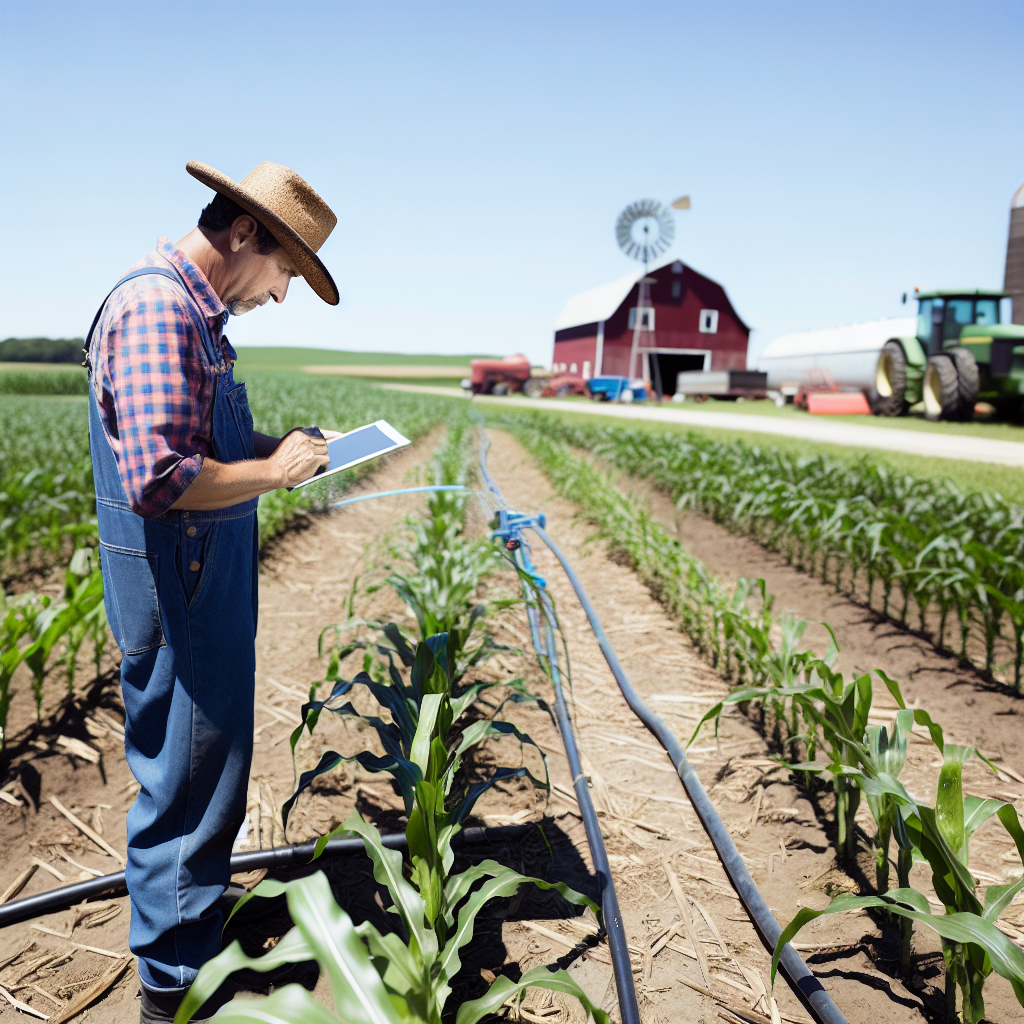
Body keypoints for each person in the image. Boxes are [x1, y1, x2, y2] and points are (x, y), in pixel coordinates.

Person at [84, 160, 340, 1023]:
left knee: (206, 765)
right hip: (181, 578)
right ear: (244, 235)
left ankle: (190, 922)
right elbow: (160, 477)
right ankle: (170, 986)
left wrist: (284, 447)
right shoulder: (159, 308)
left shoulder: (197, 314)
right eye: (287, 273)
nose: (283, 294)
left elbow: (201, 441)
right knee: (187, 779)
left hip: (199, 574)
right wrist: (271, 472)